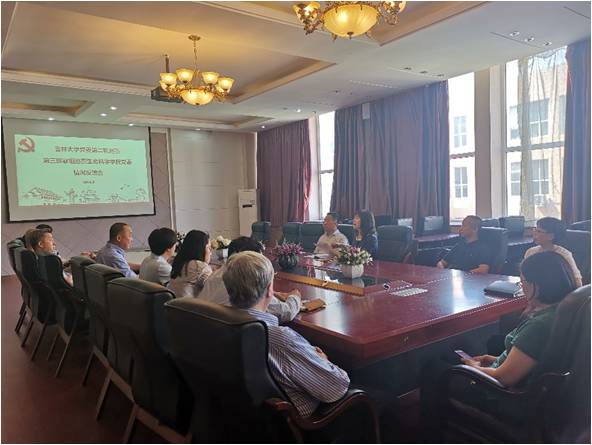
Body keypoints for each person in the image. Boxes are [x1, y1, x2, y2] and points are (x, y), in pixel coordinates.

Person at [421, 251, 578, 431]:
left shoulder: (539, 326)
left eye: (523, 282)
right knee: (449, 357)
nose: (521, 286)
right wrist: (494, 359)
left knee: (434, 369)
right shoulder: (566, 311)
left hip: (504, 399)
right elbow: (529, 359)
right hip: (541, 395)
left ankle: (432, 432)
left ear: (537, 286)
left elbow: (503, 378)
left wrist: (474, 367)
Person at [223, 251, 350, 418]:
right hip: (298, 424)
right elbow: (336, 388)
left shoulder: (217, 324)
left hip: (238, 419)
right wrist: (323, 360)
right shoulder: (280, 338)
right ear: (270, 289)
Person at [199, 236, 301, 323]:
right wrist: (295, 296)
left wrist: (273, 293)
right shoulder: (245, 279)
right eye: (258, 261)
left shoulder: (215, 275)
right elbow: (285, 312)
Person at [525, 217, 582, 287]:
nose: (534, 233)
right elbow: (524, 277)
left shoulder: (564, 254)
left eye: (539, 231)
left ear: (551, 236)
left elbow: (578, 282)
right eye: (535, 229)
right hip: (536, 291)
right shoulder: (530, 252)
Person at [168, 230, 212, 298]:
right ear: (201, 249)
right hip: (188, 304)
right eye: (209, 248)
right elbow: (212, 291)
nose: (210, 253)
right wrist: (206, 265)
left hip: (172, 303)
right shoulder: (201, 267)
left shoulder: (175, 262)